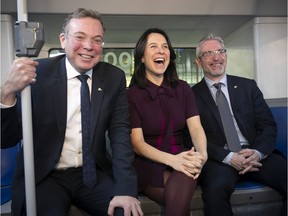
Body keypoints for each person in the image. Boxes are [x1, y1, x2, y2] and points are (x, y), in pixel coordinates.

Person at [1, 8, 143, 216]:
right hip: (46, 176)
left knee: (126, 212)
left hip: (92, 174)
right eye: (80, 37)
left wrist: (125, 189)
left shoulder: (113, 78)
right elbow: (6, 139)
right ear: (63, 40)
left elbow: (120, 133)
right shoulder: (36, 74)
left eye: (97, 40)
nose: (88, 46)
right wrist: (6, 93)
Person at [192, 33, 287, 216]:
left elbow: (268, 125)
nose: (216, 57)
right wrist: (228, 157)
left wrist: (258, 153)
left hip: (255, 154)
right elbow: (191, 136)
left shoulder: (247, 86)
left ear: (225, 56)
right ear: (198, 62)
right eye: (208, 54)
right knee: (215, 192)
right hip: (219, 160)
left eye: (220, 51)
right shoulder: (191, 95)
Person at [127, 28, 207, 216]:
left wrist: (202, 156)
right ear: (141, 57)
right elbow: (137, 144)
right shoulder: (131, 95)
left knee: (182, 184)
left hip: (182, 155)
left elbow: (195, 127)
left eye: (165, 47)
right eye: (153, 46)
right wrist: (174, 161)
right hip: (147, 162)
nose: (161, 51)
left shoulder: (183, 88)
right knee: (177, 197)